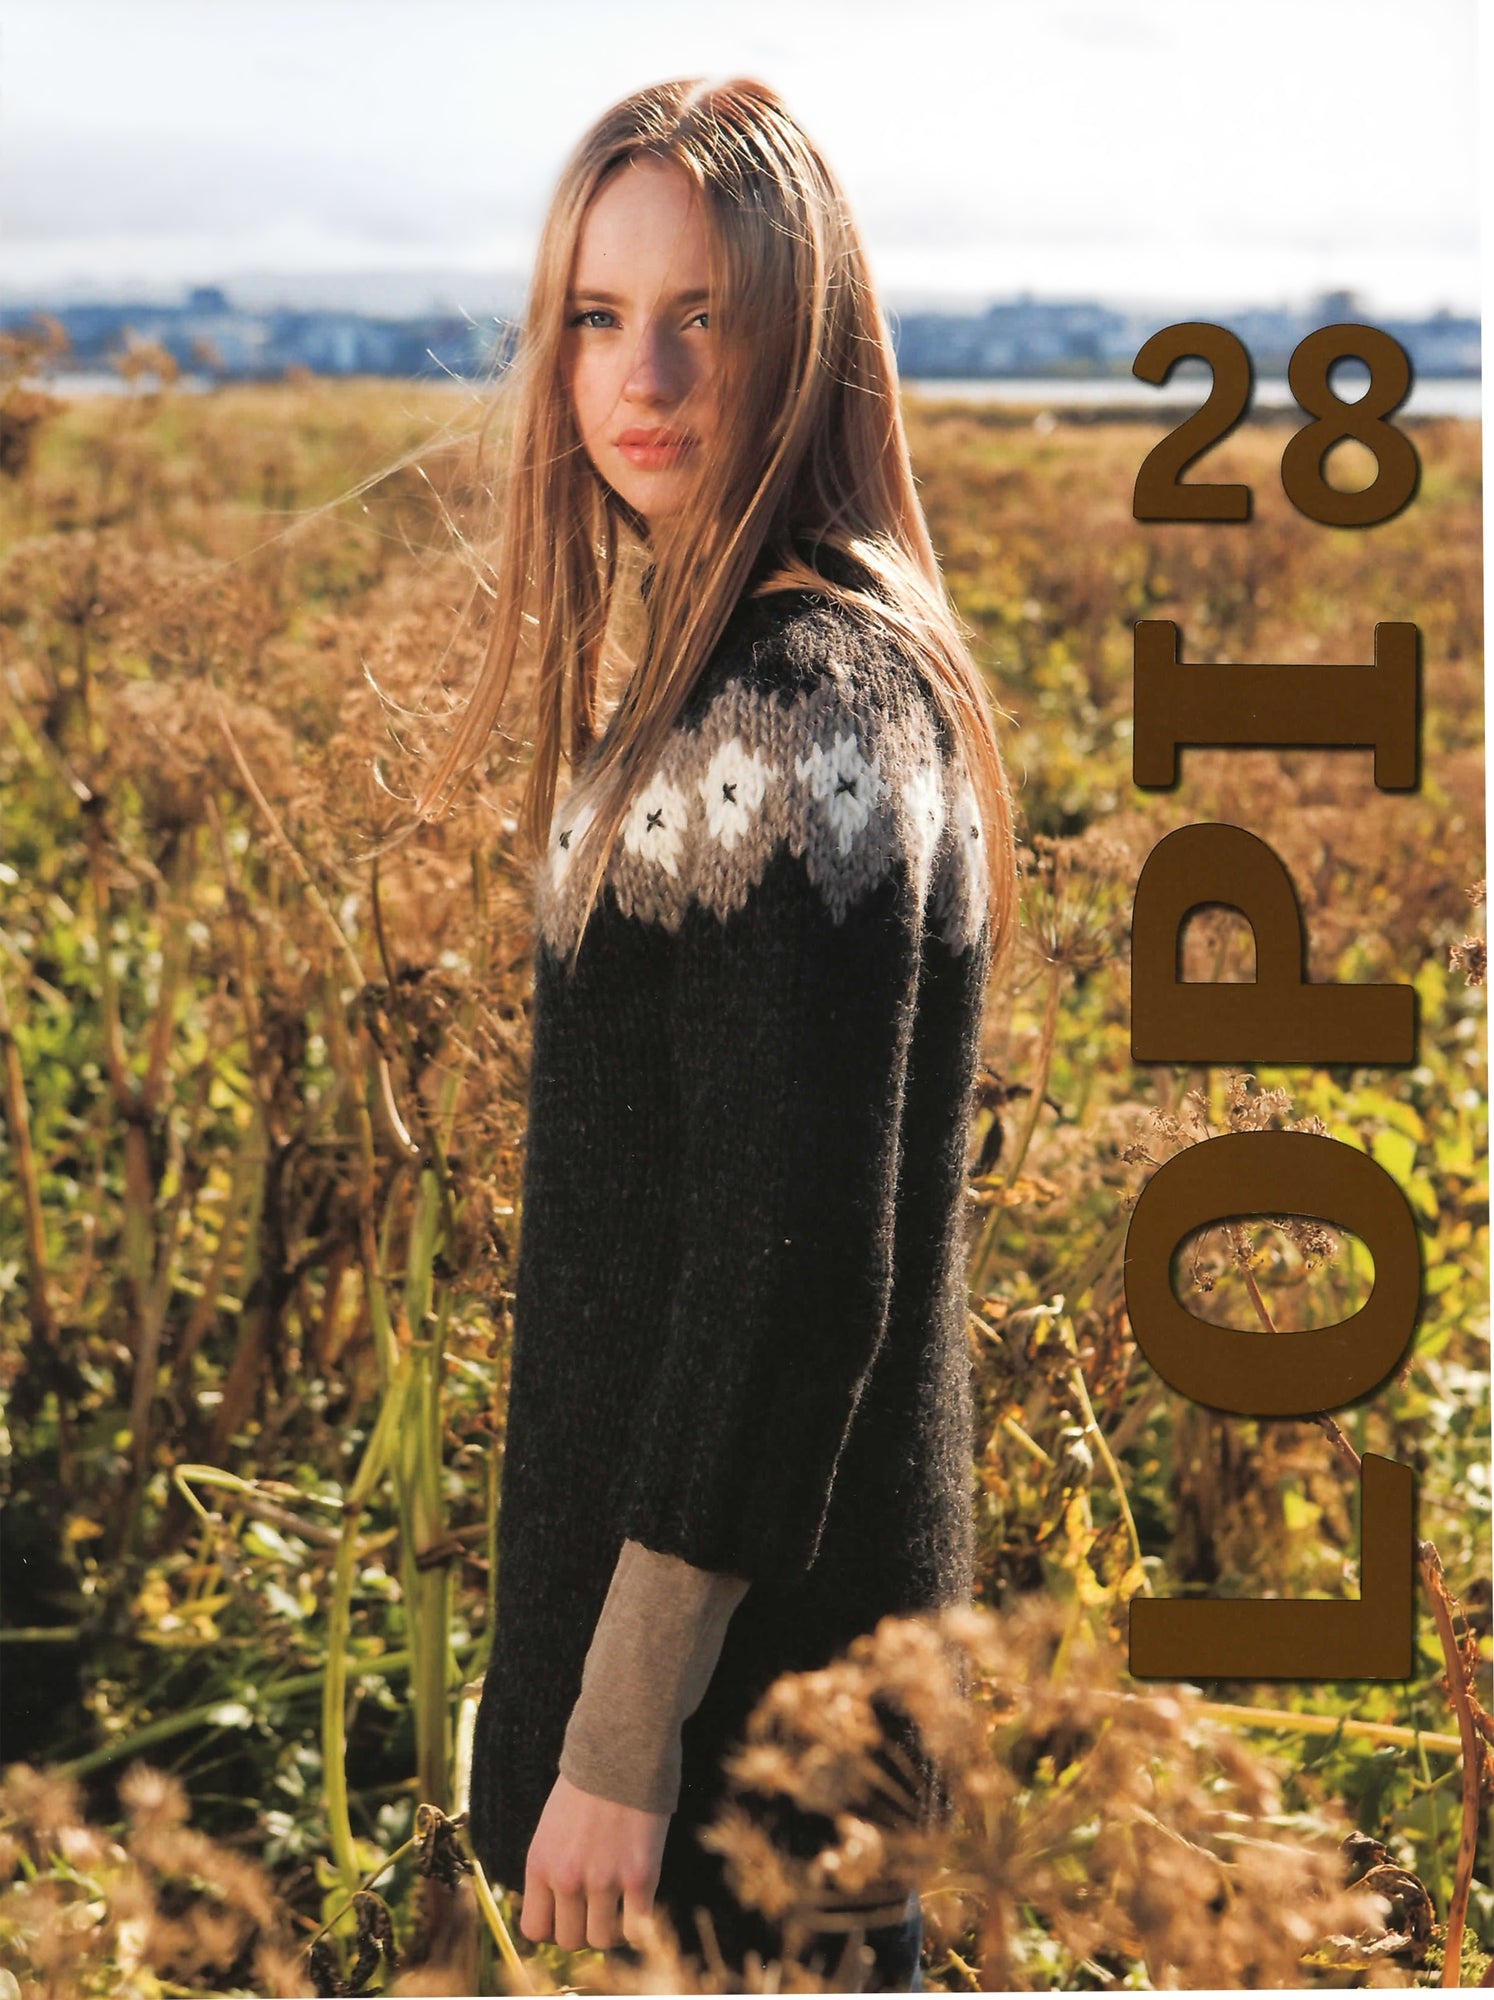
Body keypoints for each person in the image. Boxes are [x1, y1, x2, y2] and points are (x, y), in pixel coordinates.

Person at [419, 75, 1018, 1991]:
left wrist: (615, 1739)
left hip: (722, 1749)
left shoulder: (802, 705)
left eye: (706, 316)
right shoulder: (769, 670)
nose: (640, 375)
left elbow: (786, 1272)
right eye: (596, 317)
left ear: (807, 334)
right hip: (748, 1716)